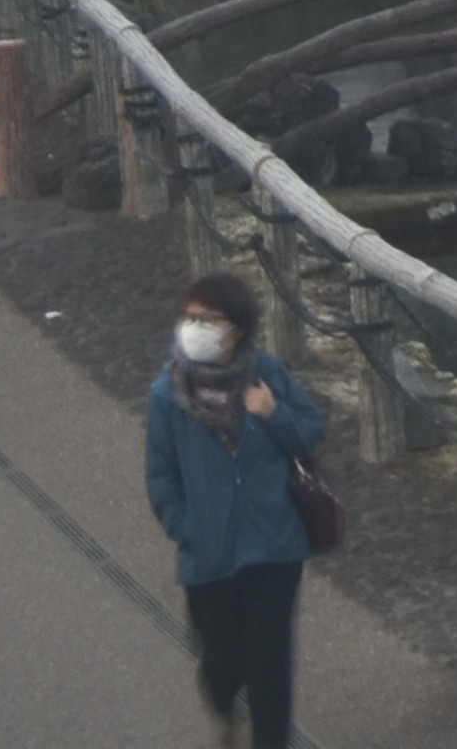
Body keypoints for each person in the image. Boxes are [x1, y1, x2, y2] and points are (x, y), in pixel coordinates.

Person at [142, 270, 328, 745]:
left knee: (270, 665)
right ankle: (225, 711)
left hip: (275, 546)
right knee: (221, 660)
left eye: (208, 318)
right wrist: (186, 525)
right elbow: (161, 474)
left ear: (237, 329)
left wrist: (274, 413)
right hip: (209, 554)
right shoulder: (168, 395)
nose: (194, 326)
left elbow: (310, 433)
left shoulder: (267, 376)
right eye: (189, 316)